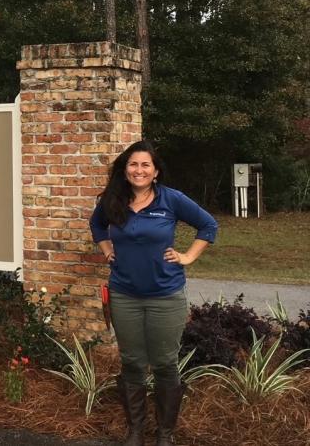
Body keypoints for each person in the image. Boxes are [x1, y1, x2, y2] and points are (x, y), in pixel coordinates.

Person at [89, 141, 217, 446]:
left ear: (155, 171)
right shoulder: (113, 200)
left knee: (163, 363)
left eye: (146, 165)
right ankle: (135, 430)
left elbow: (208, 225)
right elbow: (96, 225)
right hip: (124, 295)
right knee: (132, 361)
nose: (139, 170)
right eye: (133, 164)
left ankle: (165, 433)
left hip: (165, 296)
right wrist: (107, 250)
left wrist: (187, 257)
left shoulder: (170, 200)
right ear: (125, 169)